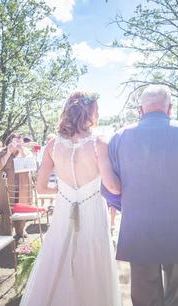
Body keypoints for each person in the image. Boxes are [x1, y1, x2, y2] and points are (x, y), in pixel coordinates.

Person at [108, 85, 178, 306]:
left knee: (143, 295)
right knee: (175, 294)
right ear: (170, 109)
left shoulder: (120, 136)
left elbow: (109, 188)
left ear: (140, 110)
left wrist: (130, 207)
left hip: (138, 227)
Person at [20, 92, 121, 306]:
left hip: (64, 210)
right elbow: (112, 186)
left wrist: (64, 192)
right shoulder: (98, 143)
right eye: (96, 110)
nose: (99, 114)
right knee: (92, 259)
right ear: (88, 112)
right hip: (92, 209)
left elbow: (40, 188)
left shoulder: (52, 145)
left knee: (59, 256)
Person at [0, 133, 33, 239]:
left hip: (22, 185)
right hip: (7, 186)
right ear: (10, 142)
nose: (17, 143)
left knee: (21, 206)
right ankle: (6, 232)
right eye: (15, 141)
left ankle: (20, 230)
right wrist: (8, 152)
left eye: (19, 141)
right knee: (6, 207)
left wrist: (21, 151)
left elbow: (30, 165)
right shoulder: (2, 152)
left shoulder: (26, 152)